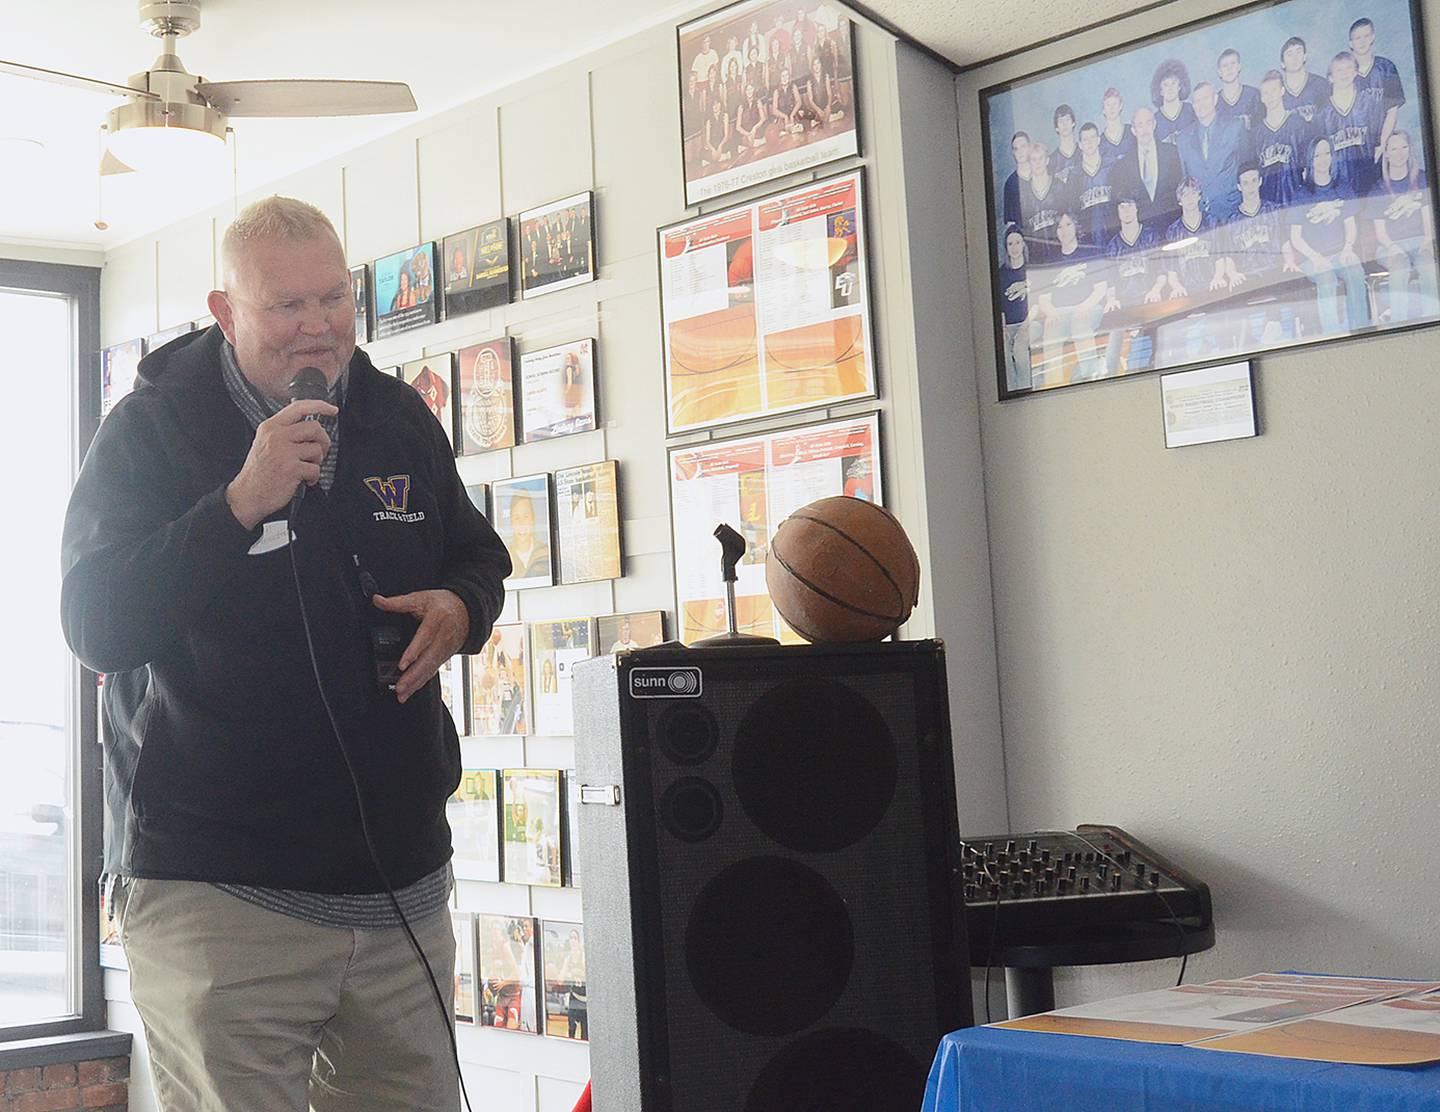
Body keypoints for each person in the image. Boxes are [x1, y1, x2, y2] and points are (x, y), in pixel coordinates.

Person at [60, 196, 511, 1112]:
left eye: (333, 300)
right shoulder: (149, 430)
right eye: (285, 307)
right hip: (220, 891)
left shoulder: (395, 416)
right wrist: (236, 504)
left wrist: (462, 607)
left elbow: (478, 553)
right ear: (226, 312)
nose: (317, 328)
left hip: (400, 886)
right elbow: (94, 623)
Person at [1290, 136, 1370, 335]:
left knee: (1355, 272)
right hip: (1312, 258)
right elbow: (1295, 238)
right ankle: (1333, 334)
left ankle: (1361, 331)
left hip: (1340, 252)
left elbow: (1350, 224)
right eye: (1317, 155)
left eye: (1327, 153)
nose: (1323, 159)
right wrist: (1316, 258)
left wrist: (1348, 249)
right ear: (1310, 159)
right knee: (1327, 278)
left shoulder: (1342, 187)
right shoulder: (1301, 194)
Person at [1222, 162, 1301, 344]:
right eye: (1245, 182)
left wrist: (1289, 261)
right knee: (1232, 294)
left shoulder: (1273, 210)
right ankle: (1247, 341)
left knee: (1293, 281)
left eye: (1253, 180)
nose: (1250, 186)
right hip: (1248, 273)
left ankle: (1284, 328)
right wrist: (1233, 274)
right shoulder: (1232, 220)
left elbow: (1285, 243)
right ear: (1239, 187)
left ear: (1260, 181)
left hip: (1273, 268)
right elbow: (1228, 256)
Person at [1370, 131, 1436, 325]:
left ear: (1410, 149)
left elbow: (1428, 220)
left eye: (1404, 147)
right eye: (1394, 148)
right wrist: (1392, 247)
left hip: (1419, 240)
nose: (1400, 153)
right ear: (1387, 154)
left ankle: (1432, 319)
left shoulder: (1422, 179)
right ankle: (1400, 322)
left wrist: (1427, 241)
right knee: (1400, 265)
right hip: (1389, 245)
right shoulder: (1378, 188)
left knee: (1427, 264)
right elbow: (1380, 233)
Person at [1035, 211, 1107, 386]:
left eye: (1068, 225)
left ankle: (1090, 378)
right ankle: (1053, 385)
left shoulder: (1089, 253)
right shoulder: (1050, 261)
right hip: (1059, 313)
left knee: (1080, 325)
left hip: (1088, 308)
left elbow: (1101, 289)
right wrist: (1051, 313)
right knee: (1051, 332)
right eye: (1059, 227)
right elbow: (1043, 299)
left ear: (1076, 227)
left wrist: (1084, 306)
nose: (1064, 230)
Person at [1102, 194, 1166, 375]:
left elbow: (1162, 272)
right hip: (1126, 305)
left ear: (1137, 208)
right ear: (1118, 212)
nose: (1127, 210)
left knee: (1151, 350)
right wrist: (1112, 299)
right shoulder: (1113, 245)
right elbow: (1111, 280)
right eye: (1122, 207)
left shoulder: (1150, 236)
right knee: (1115, 343)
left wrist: (1155, 290)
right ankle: (1111, 375)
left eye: (1130, 206)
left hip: (1150, 301)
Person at [1315, 50, 1387, 199]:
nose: (1344, 73)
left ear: (1356, 72)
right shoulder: (1322, 114)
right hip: (1338, 184)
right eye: (1339, 70)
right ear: (1330, 77)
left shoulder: (1369, 103)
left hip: (1370, 178)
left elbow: (1379, 141)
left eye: (1348, 68)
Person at [1175, 82, 1245, 221]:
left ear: (1215, 99)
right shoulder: (1183, 139)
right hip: (1200, 217)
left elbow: (1245, 169)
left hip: (1232, 211)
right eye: (1196, 101)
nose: (1201, 104)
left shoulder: (1235, 126)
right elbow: (1186, 179)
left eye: (1205, 98)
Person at [1113, 106, 1183, 232]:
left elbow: (1179, 191)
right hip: (1142, 235)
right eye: (1140, 125)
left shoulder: (1172, 153)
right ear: (1133, 130)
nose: (1145, 129)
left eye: (1148, 122)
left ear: (1154, 125)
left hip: (1172, 227)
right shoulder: (1123, 165)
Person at [1251, 69, 1311, 209]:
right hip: (1268, 205)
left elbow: (1308, 167)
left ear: (1282, 91)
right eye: (1265, 92)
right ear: (1261, 97)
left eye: (1273, 90)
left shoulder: (1299, 124)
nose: (1270, 96)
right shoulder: (1256, 134)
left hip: (1297, 200)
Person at [1348, 17, 1405, 158]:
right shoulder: (1343, 72)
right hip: (1351, 147)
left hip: (1379, 143)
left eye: (1366, 36)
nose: (1362, 41)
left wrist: (1383, 144)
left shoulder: (1386, 68)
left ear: (1373, 37)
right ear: (1350, 43)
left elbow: (1392, 110)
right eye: (1358, 38)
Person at [996, 225, 1036, 392]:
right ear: (1006, 247)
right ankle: (1013, 392)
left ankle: (1026, 389)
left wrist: (1024, 327)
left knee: (1019, 349)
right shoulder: (1002, 273)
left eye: (1017, 242)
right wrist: (1003, 327)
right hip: (1009, 326)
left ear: (1023, 244)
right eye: (1010, 243)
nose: (1014, 247)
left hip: (1030, 323)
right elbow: (1000, 306)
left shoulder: (1032, 268)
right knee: (1004, 353)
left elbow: (1037, 303)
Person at [1019, 139, 1069, 265]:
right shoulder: (1023, 194)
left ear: (1047, 160)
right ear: (1029, 163)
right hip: (1036, 258)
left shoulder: (1060, 187)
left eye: (1040, 158)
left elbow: (1069, 220)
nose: (1037, 163)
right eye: (1033, 160)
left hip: (1062, 253)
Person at [1071, 121, 1115, 250]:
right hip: (1087, 241)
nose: (1089, 142)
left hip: (1114, 235)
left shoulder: (1112, 167)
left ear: (1099, 140)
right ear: (1079, 145)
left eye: (1092, 138)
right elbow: (1072, 211)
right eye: (1085, 139)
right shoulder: (1074, 176)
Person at [1279, 36, 1329, 122]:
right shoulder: (1276, 91)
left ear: (1305, 56)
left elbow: (1329, 119)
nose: (1295, 58)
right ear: (1282, 63)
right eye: (1289, 54)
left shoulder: (1321, 85)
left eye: (1298, 52)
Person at [504, 490, 551, 580]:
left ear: (533, 518)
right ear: (511, 522)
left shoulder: (545, 553)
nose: (521, 523)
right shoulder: (505, 557)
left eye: (526, 516)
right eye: (516, 518)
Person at [1215, 48, 1262, 132]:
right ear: (1219, 72)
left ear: (1239, 66)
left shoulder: (1253, 94)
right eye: (1225, 66)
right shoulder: (1215, 101)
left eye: (1233, 63)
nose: (1229, 68)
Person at [1150, 58, 1195, 144]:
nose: (1170, 88)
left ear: (1180, 86)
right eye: (1165, 85)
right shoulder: (1154, 120)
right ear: (1160, 91)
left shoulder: (1191, 110)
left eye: (1173, 83)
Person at [1002, 131, 1032, 229]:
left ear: (1030, 148)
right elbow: (1010, 222)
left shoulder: (1042, 175)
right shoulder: (1010, 184)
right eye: (1016, 149)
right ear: (1013, 153)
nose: (1020, 152)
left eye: (1023, 146)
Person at [1098, 88, 1135, 167]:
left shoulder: (1132, 131)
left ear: (1121, 106)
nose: (1112, 108)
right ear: (1103, 110)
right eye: (1108, 105)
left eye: (1115, 103)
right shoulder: (1100, 142)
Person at [1050, 104, 1080, 178]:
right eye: (1060, 121)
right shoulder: (1052, 160)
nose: (1064, 124)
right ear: (1056, 128)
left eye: (1067, 119)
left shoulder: (1083, 152)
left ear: (1073, 123)